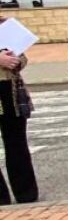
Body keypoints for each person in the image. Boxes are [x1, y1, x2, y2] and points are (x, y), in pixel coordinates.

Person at [0, 16, 38, 204]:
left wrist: (15, 60)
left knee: (17, 143)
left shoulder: (4, 25)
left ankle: (26, 193)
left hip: (10, 89)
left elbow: (22, 57)